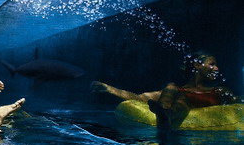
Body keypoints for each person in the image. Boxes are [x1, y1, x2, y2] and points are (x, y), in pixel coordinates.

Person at [92, 51, 240, 128]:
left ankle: (166, 114)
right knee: (172, 89)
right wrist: (110, 89)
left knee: (181, 98)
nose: (217, 68)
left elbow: (238, 102)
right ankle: (164, 112)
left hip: (193, 112)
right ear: (197, 65)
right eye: (212, 64)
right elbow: (141, 98)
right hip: (174, 106)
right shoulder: (177, 89)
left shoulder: (220, 90)